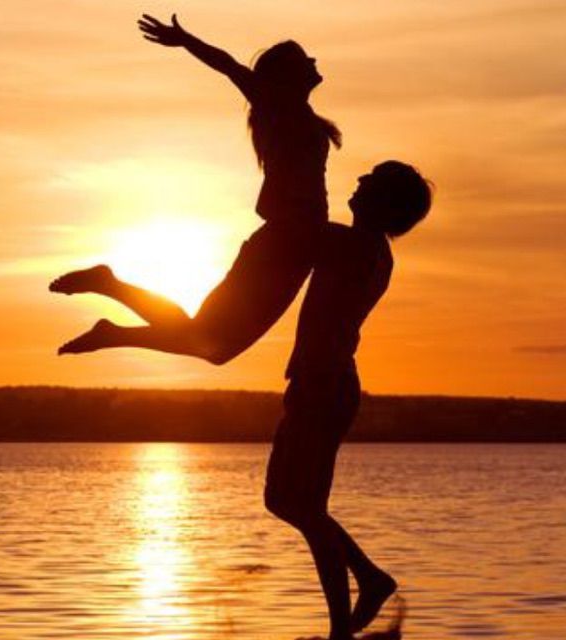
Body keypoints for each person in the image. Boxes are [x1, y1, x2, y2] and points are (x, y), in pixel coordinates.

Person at [51, 13, 341, 361]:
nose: (313, 60)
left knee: (212, 344)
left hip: (297, 242)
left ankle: (110, 314)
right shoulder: (276, 107)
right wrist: (186, 40)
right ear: (286, 76)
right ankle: (109, 300)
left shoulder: (303, 117)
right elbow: (229, 66)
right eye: (305, 59)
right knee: (210, 342)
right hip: (284, 241)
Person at [264, 160, 432, 639]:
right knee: (285, 500)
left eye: (371, 181)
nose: (358, 181)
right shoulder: (362, 246)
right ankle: (369, 578)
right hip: (319, 385)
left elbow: (290, 227)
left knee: (303, 506)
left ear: (386, 205)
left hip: (325, 387)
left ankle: (343, 628)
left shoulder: (356, 246)